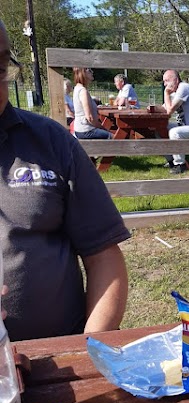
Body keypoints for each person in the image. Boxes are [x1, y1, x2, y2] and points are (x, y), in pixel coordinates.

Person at [0, 20, 130, 341]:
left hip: (62, 352)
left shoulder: (51, 142)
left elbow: (104, 257)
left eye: (0, 65)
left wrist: (89, 346)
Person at [159, 69, 189, 174]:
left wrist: (166, 93)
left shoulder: (184, 88)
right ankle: (171, 161)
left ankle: (180, 165)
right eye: (164, 82)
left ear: (176, 80)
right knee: (159, 128)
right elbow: (164, 108)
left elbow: (169, 111)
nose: (165, 84)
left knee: (174, 133)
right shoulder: (175, 92)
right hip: (186, 126)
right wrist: (150, 109)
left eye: (167, 81)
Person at [73, 67, 111, 139]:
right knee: (113, 137)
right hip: (86, 130)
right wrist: (101, 127)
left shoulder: (77, 88)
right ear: (83, 72)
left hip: (80, 129)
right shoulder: (83, 91)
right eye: (89, 70)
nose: (92, 72)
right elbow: (90, 118)